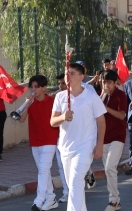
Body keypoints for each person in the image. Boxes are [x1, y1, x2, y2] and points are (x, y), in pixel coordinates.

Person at [51, 62, 107, 211]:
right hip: (65, 147)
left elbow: (101, 122)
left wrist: (99, 144)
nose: (68, 76)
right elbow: (52, 122)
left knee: (76, 182)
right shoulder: (60, 97)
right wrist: (63, 116)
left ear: (82, 76)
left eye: (72, 73)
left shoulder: (91, 96)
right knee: (73, 186)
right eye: (66, 73)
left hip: (85, 146)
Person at [20, 75, 59, 211]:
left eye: (36, 87)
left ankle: (39, 200)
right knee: (44, 171)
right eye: (32, 87)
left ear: (44, 88)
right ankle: (51, 198)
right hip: (35, 141)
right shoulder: (30, 103)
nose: (33, 89)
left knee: (43, 170)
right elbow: (21, 119)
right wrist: (26, 104)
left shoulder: (53, 101)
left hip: (49, 139)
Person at [99, 70, 128, 211]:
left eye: (109, 83)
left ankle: (113, 201)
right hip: (104, 137)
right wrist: (101, 97)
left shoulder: (121, 95)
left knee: (110, 166)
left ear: (115, 82)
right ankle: (115, 200)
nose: (106, 85)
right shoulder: (101, 96)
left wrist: (105, 108)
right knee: (108, 169)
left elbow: (122, 115)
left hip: (118, 136)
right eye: (104, 82)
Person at [54, 74, 70, 203]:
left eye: (63, 83)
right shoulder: (57, 98)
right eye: (59, 84)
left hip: (76, 140)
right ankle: (67, 192)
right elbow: (53, 120)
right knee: (61, 166)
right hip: (60, 139)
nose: (61, 86)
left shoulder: (78, 97)